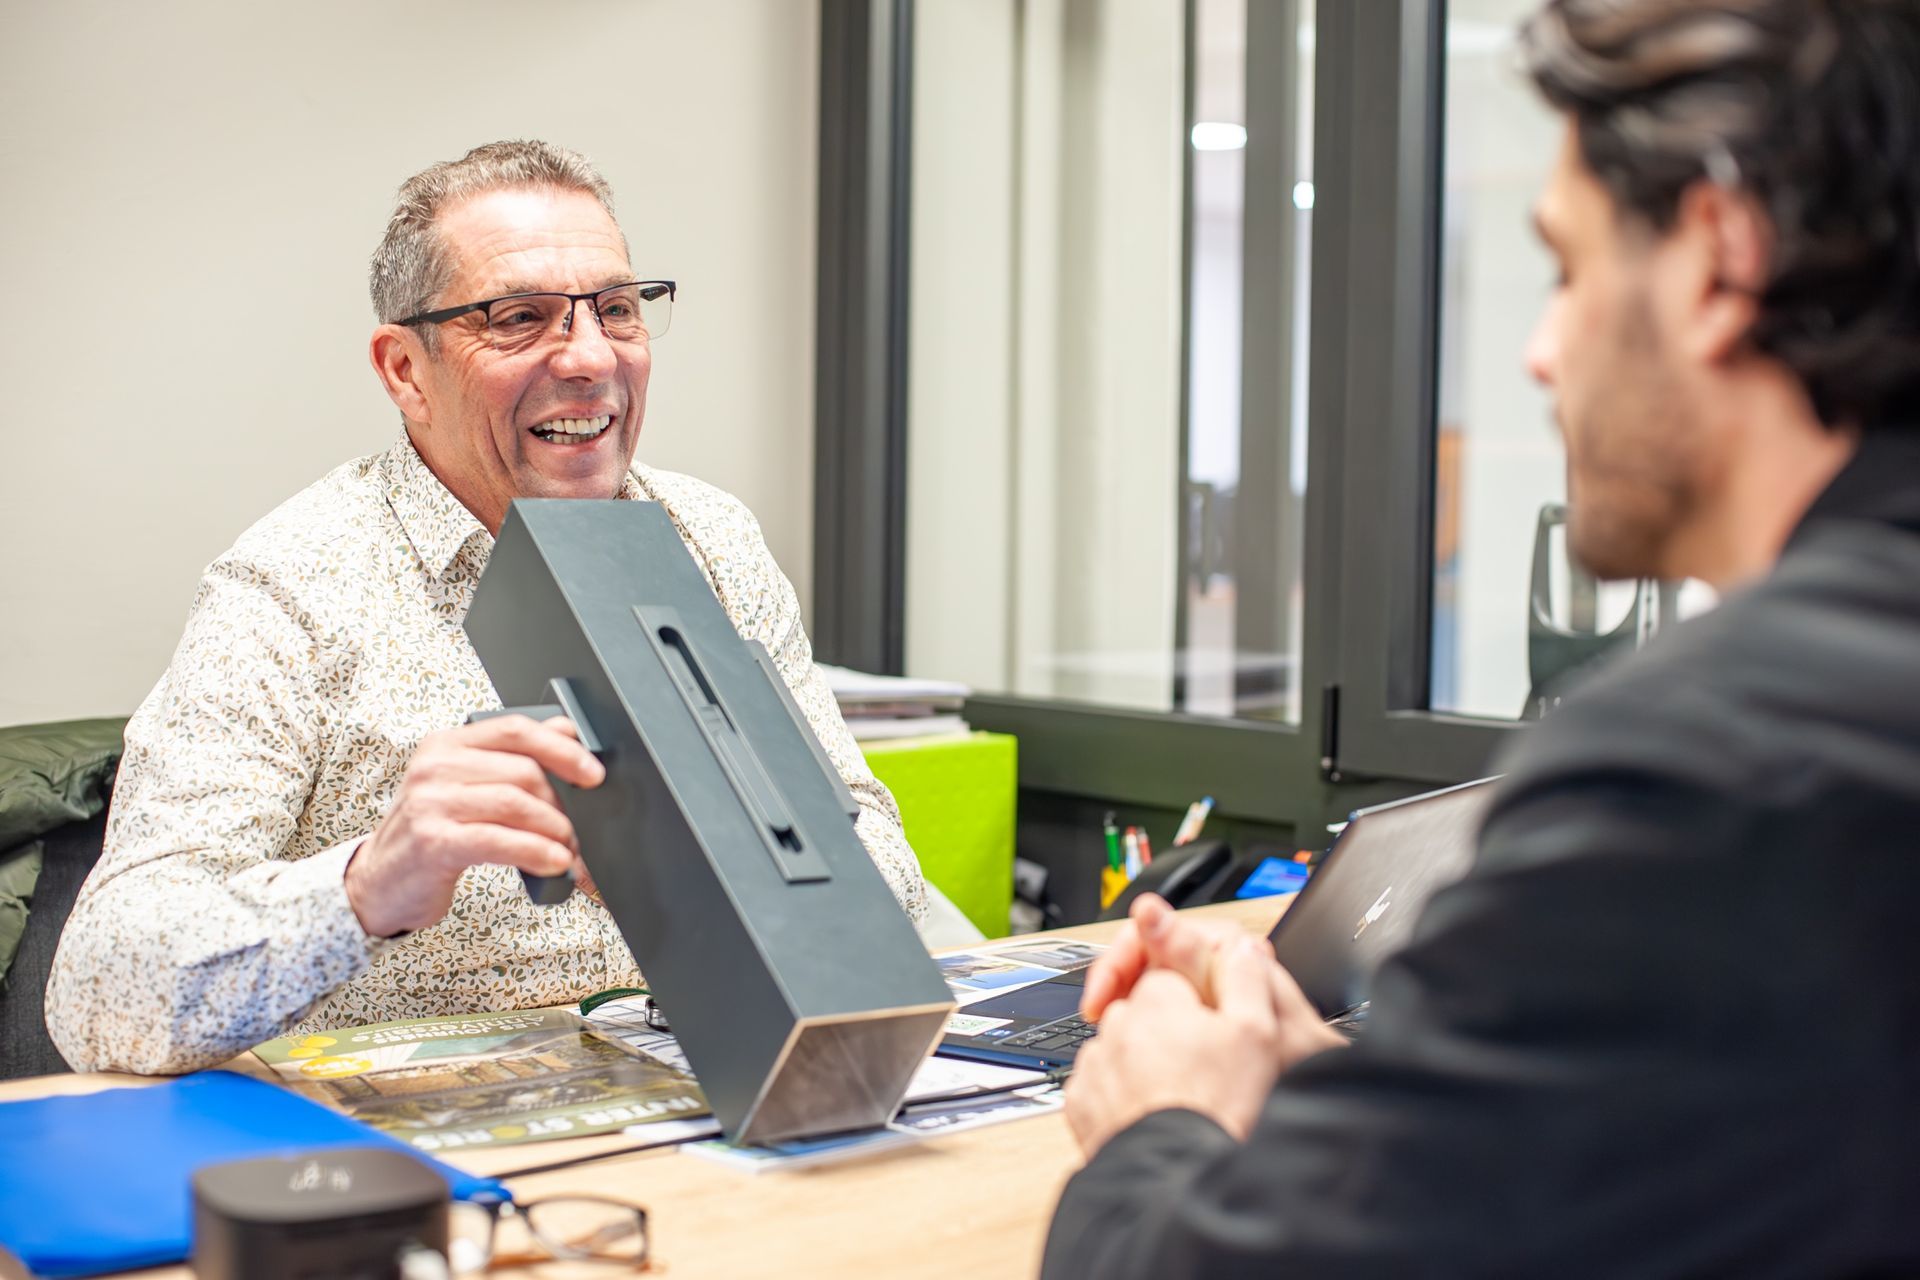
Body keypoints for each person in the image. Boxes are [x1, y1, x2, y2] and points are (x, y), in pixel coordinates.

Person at [1045, 1, 1920, 1275]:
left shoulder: (1712, 766)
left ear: (1721, 258)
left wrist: (1158, 1126)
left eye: (1568, 269)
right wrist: (1375, 1101)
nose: (1539, 351)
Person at [47, 141, 928, 1075]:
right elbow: (100, 995)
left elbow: (894, 886)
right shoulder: (291, 583)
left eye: (618, 310)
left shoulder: (710, 537)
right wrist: (366, 885)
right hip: (414, 1153)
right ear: (405, 371)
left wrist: (770, 852)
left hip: (707, 1093)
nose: (592, 358)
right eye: (519, 318)